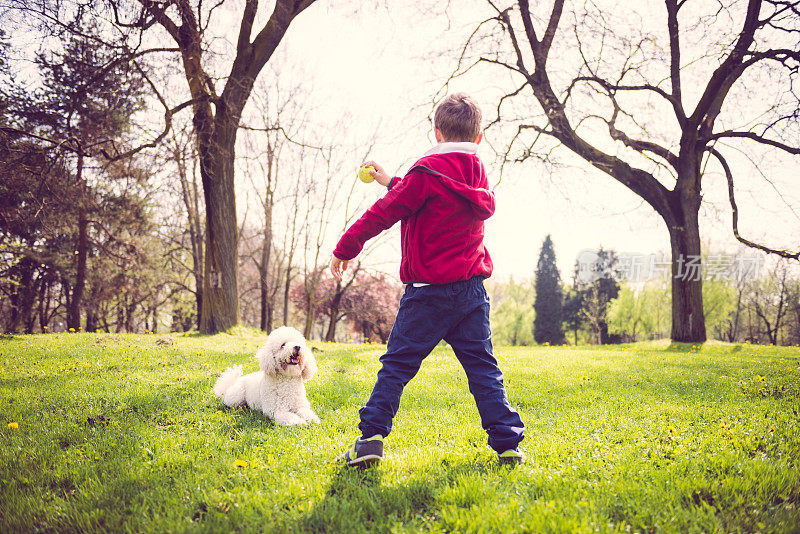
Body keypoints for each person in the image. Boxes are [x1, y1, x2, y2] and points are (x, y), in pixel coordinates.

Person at [330, 93, 525, 468]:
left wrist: (345, 247)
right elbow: (436, 194)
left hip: (427, 296)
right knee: (483, 369)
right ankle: (507, 445)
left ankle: (370, 438)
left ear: (436, 133)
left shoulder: (425, 173)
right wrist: (392, 180)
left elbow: (384, 213)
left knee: (397, 366)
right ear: (479, 138)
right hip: (470, 293)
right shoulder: (477, 173)